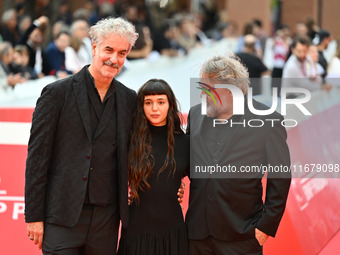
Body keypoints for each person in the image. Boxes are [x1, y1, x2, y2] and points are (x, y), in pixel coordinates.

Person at [25, 17, 138, 254]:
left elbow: (143, 150)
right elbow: (37, 158)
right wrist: (34, 216)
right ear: (94, 47)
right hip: (62, 216)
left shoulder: (129, 99)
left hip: (107, 220)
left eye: (122, 53)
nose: (114, 59)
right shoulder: (57, 93)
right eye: (109, 49)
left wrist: (173, 180)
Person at [186, 54, 291, 255]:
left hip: (242, 234)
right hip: (197, 234)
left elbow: (280, 175)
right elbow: (184, 160)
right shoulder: (195, 114)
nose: (202, 94)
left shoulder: (268, 120)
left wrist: (266, 226)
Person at [118, 79, 189, 255]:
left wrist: (179, 186)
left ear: (170, 105)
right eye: (148, 103)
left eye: (161, 102)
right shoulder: (129, 141)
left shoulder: (185, 142)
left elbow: (203, 183)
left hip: (173, 231)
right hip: (137, 230)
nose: (154, 108)